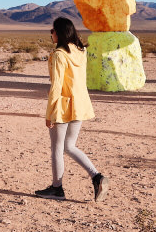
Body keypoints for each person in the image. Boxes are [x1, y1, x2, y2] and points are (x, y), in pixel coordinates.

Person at [35, 16, 108, 202]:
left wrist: (49, 113)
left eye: (52, 30)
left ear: (59, 33)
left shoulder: (59, 54)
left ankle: (57, 188)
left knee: (58, 148)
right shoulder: (80, 51)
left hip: (63, 105)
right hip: (80, 104)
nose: (51, 34)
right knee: (69, 146)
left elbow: (56, 86)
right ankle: (97, 176)